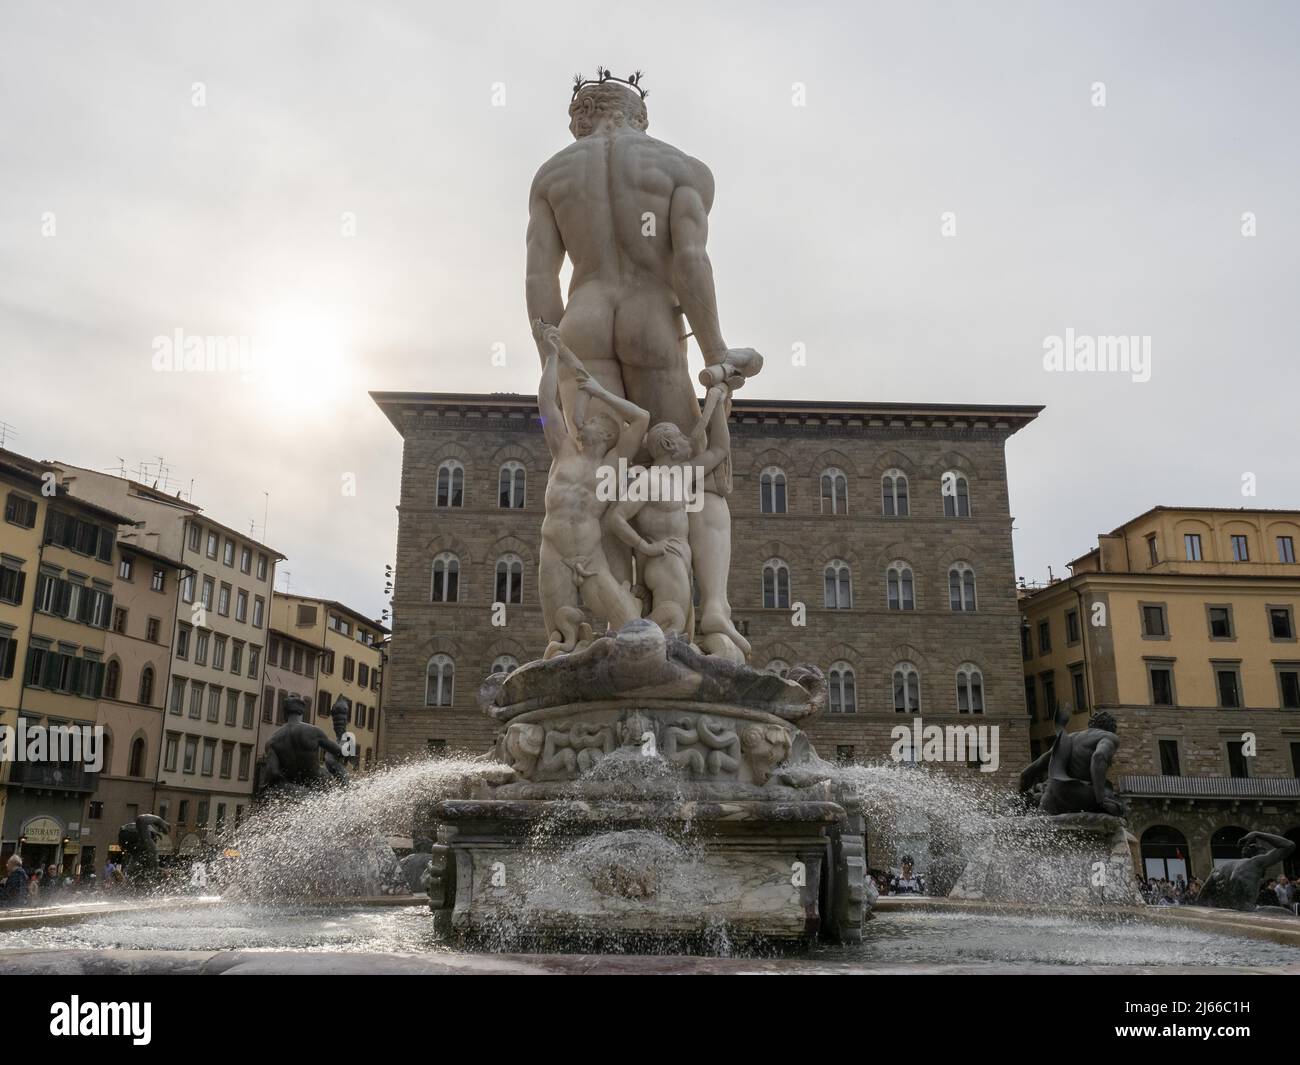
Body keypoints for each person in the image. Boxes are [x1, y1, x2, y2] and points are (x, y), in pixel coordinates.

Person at [526, 73, 760, 660]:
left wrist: (554, 365)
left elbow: (539, 278)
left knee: (602, 476)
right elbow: (690, 261)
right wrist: (715, 355)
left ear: (580, 118)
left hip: (584, 324)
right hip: (651, 320)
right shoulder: (680, 167)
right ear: (640, 117)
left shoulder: (553, 174)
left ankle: (596, 630)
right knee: (690, 475)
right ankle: (711, 621)